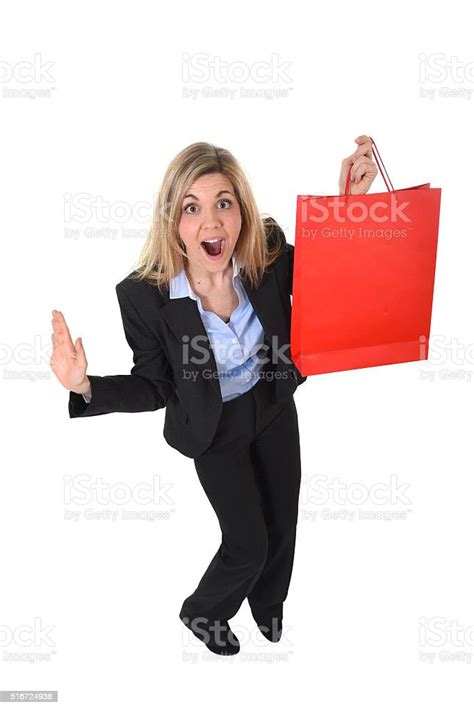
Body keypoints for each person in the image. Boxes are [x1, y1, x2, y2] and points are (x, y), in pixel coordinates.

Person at [50, 136, 377, 656]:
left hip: (271, 405)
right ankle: (203, 611)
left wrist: (350, 201)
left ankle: (269, 604)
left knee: (282, 522)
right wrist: (84, 387)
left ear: (241, 210)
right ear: (172, 221)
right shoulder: (144, 296)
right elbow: (156, 384)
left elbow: (329, 275)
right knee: (248, 543)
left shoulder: (265, 251)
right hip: (212, 427)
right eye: (192, 207)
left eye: (224, 203)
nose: (211, 223)